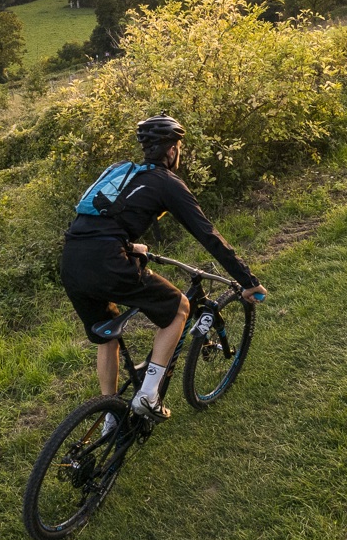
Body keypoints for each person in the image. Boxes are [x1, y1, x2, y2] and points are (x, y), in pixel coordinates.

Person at [60, 114, 267, 422]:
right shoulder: (167, 182)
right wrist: (247, 280)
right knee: (180, 307)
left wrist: (128, 245)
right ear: (172, 150)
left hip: (71, 262)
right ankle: (148, 395)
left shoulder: (120, 171)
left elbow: (95, 221)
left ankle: (110, 418)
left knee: (107, 336)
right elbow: (207, 235)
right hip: (108, 262)